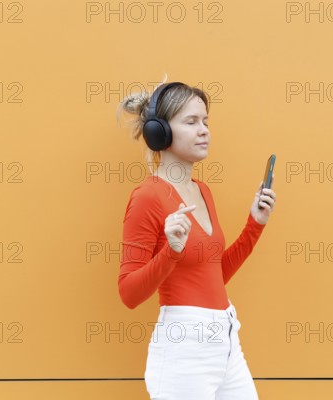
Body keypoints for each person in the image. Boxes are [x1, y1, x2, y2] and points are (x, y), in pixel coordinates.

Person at [115, 76, 277, 400]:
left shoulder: (202, 191)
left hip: (226, 337)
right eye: (191, 121)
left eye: (205, 120)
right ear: (159, 133)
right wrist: (170, 253)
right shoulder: (148, 197)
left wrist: (254, 226)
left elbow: (214, 275)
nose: (204, 129)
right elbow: (128, 293)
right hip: (184, 349)